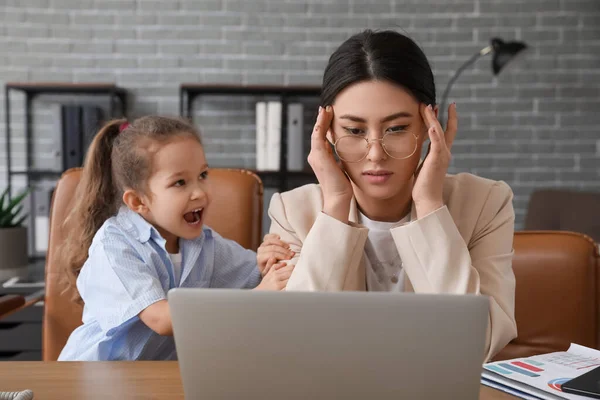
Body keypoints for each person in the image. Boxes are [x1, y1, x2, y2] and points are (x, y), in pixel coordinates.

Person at [264, 29, 517, 361]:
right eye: (354, 131)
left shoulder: (487, 203)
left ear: (431, 125)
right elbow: (294, 344)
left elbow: (475, 345)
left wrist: (429, 205)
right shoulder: (292, 211)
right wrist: (336, 206)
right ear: (326, 132)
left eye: (396, 129)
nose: (375, 154)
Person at [58, 116, 294, 361]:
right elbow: (162, 319)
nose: (199, 192)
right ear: (138, 202)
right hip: (93, 377)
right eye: (179, 182)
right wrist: (256, 298)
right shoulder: (115, 246)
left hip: (156, 379)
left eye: (203, 175)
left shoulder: (203, 243)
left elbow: (257, 274)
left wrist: (264, 261)